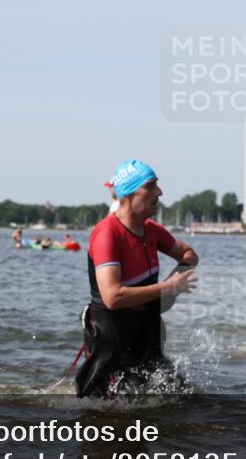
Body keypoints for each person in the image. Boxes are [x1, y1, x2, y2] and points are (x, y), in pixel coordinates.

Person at [77, 159, 199, 397]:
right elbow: (112, 296)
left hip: (147, 330)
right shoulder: (107, 234)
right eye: (152, 185)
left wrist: (172, 288)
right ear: (130, 193)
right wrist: (167, 287)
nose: (160, 192)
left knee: (181, 395)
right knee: (97, 406)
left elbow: (189, 254)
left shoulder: (152, 230)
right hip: (112, 333)